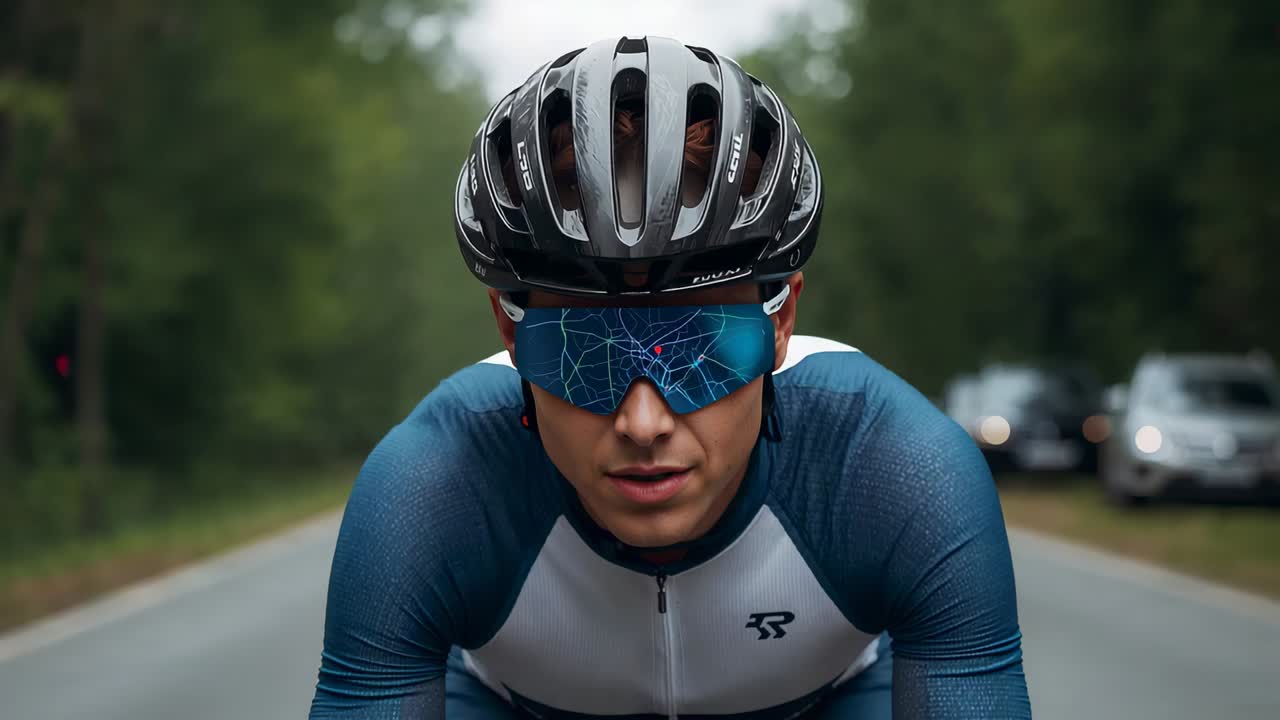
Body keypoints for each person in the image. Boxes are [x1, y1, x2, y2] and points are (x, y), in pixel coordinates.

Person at [309, 36, 1031, 719]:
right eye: (581, 353)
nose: (644, 422)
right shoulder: (433, 485)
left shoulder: (896, 467)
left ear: (780, 325)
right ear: (509, 330)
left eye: (700, 350)